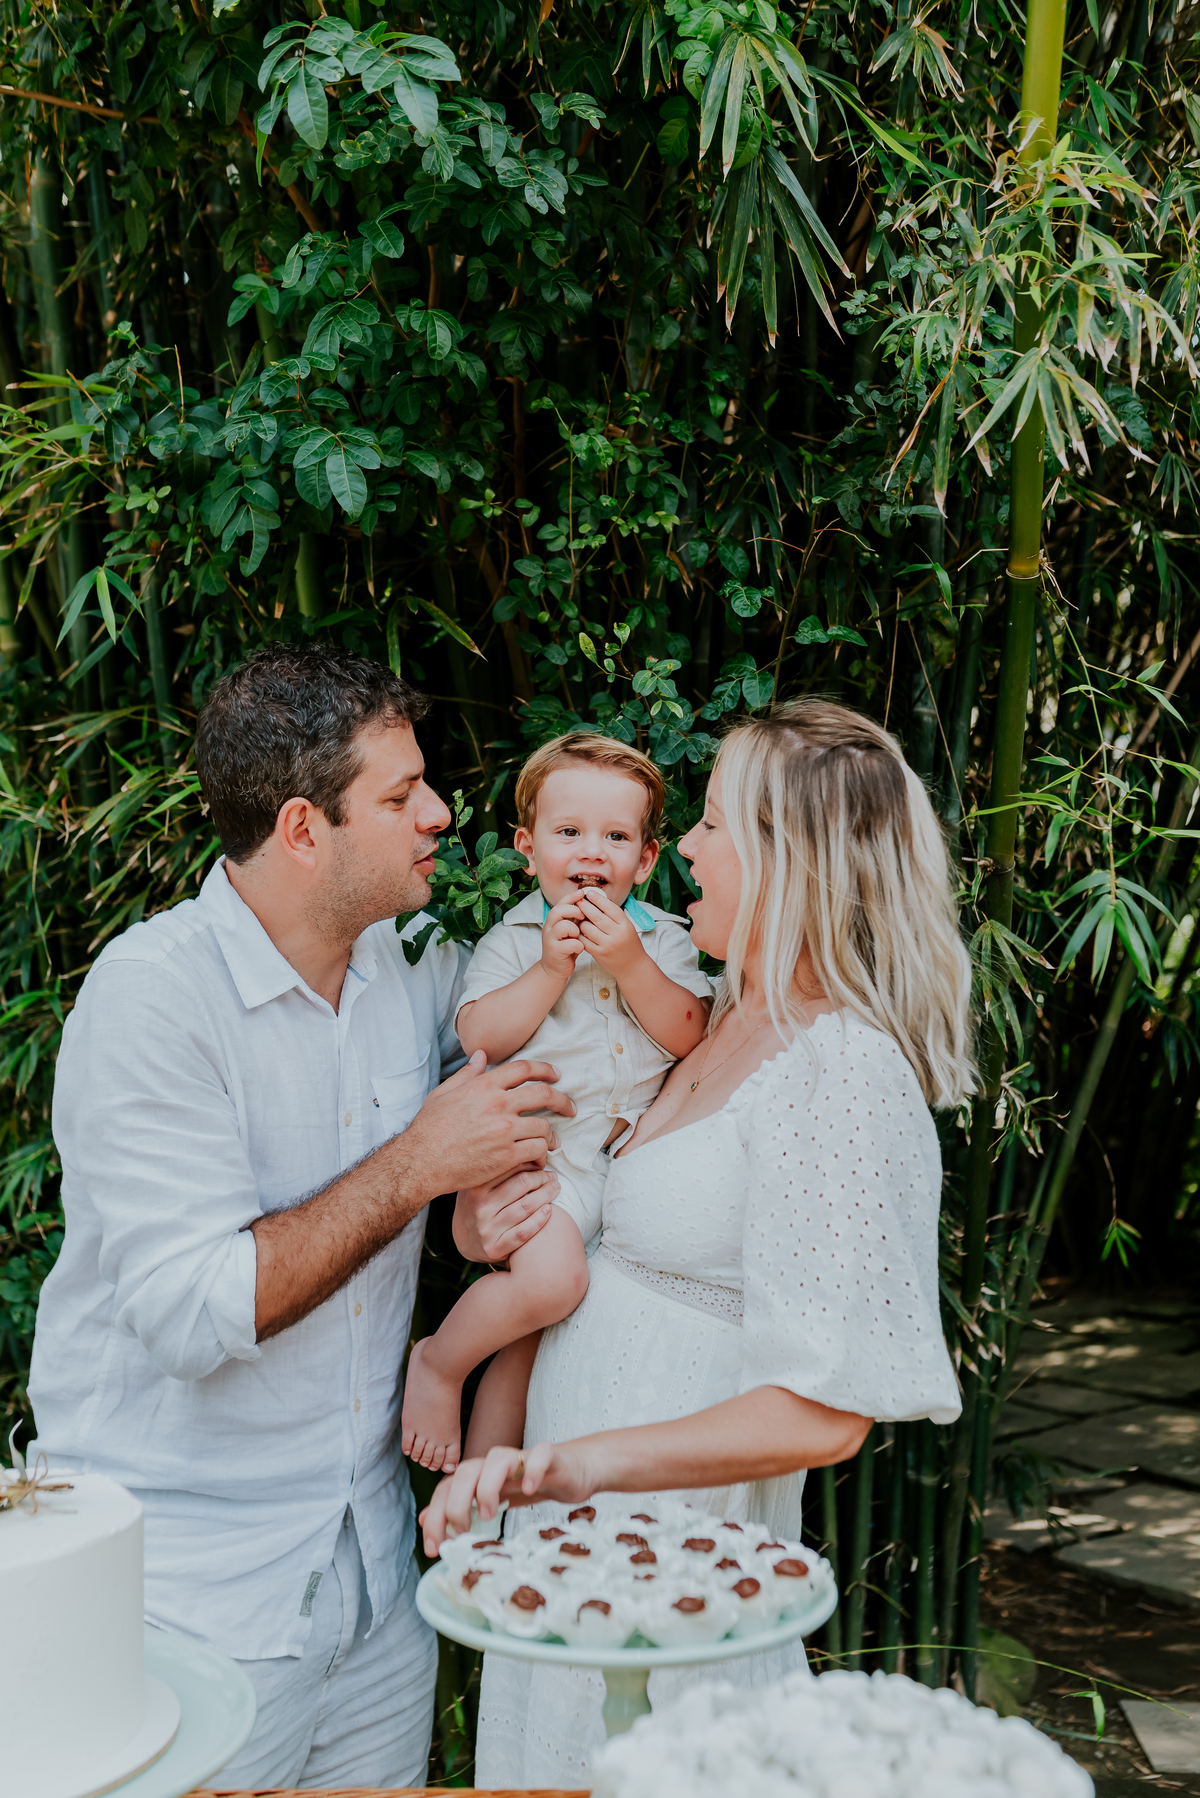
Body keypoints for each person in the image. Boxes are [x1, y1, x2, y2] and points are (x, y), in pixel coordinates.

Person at [26, 643, 572, 1791]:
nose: (438, 811)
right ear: (303, 828)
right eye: (399, 793)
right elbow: (192, 1313)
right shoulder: (153, 1001)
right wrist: (420, 1163)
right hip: (189, 1599)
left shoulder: (416, 970)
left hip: (376, 1576)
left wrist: (478, 1210)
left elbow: (466, 1178)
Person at [421, 700, 975, 1789]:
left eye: (711, 824)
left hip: (678, 1565)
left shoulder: (842, 1070)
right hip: (575, 1549)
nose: (681, 848)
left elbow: (825, 1407)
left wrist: (575, 1464)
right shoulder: (714, 1018)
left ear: (781, 859)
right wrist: (479, 1221)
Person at [402, 734, 712, 1473]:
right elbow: (479, 1034)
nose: (590, 854)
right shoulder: (514, 940)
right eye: (568, 833)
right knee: (551, 1285)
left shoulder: (663, 940)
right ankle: (440, 1363)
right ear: (527, 846)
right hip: (545, 1168)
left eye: (615, 837)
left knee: (530, 1345)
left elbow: (690, 1033)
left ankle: (483, 1510)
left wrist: (629, 962)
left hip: (626, 1177)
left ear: (645, 860)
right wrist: (550, 967)